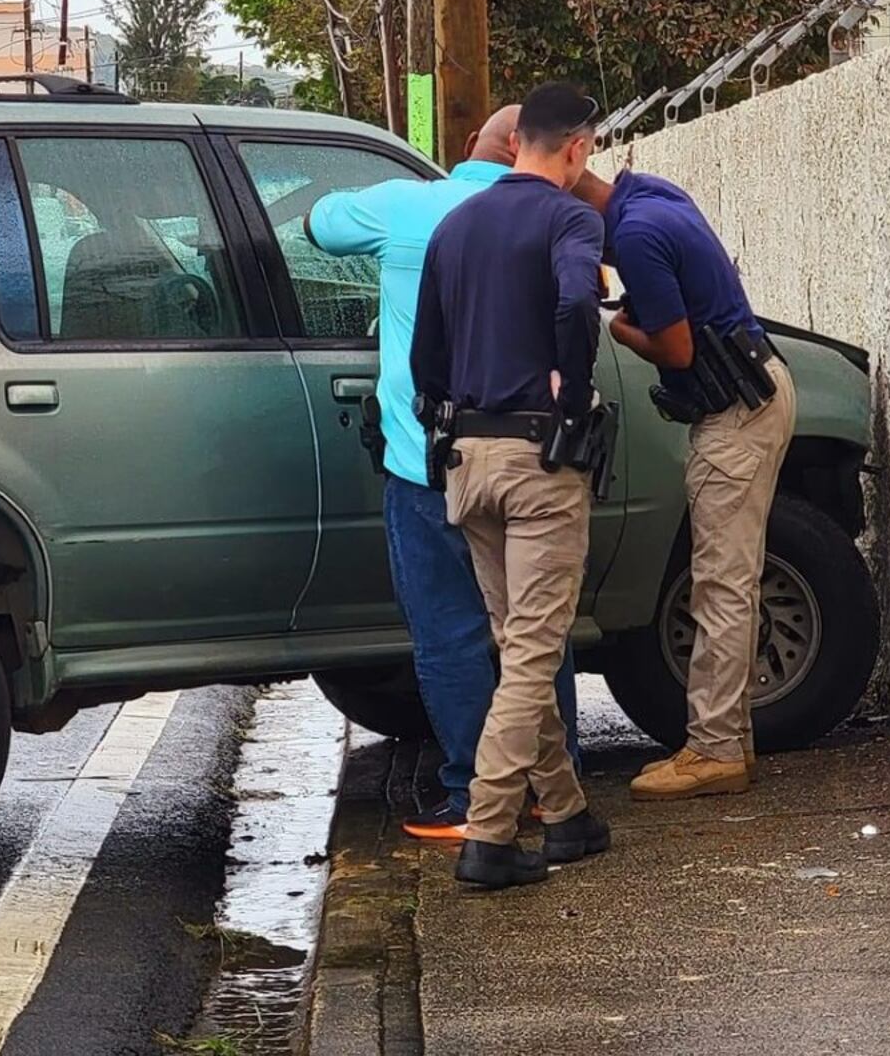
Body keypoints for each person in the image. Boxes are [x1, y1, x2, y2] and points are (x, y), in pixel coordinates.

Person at [306, 107, 582, 843]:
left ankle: (470, 794)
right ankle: (553, 792)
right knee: (534, 633)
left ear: (469, 150)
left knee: (451, 636)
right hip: (529, 455)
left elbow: (319, 225)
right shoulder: (558, 216)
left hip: (428, 462)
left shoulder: (410, 206)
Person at [411, 83, 613, 890]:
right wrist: (571, 382)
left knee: (518, 638)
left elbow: (426, 353)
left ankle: (564, 814)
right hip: (538, 461)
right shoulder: (572, 219)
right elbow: (576, 297)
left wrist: (444, 411)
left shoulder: (455, 225)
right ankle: (491, 832)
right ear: (576, 147)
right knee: (534, 648)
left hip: (467, 461)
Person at [572, 165, 797, 801]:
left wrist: (618, 326)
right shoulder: (650, 194)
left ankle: (714, 750)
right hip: (756, 391)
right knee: (734, 578)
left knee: (720, 583)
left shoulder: (637, 236)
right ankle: (732, 738)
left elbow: (675, 350)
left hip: (733, 412)